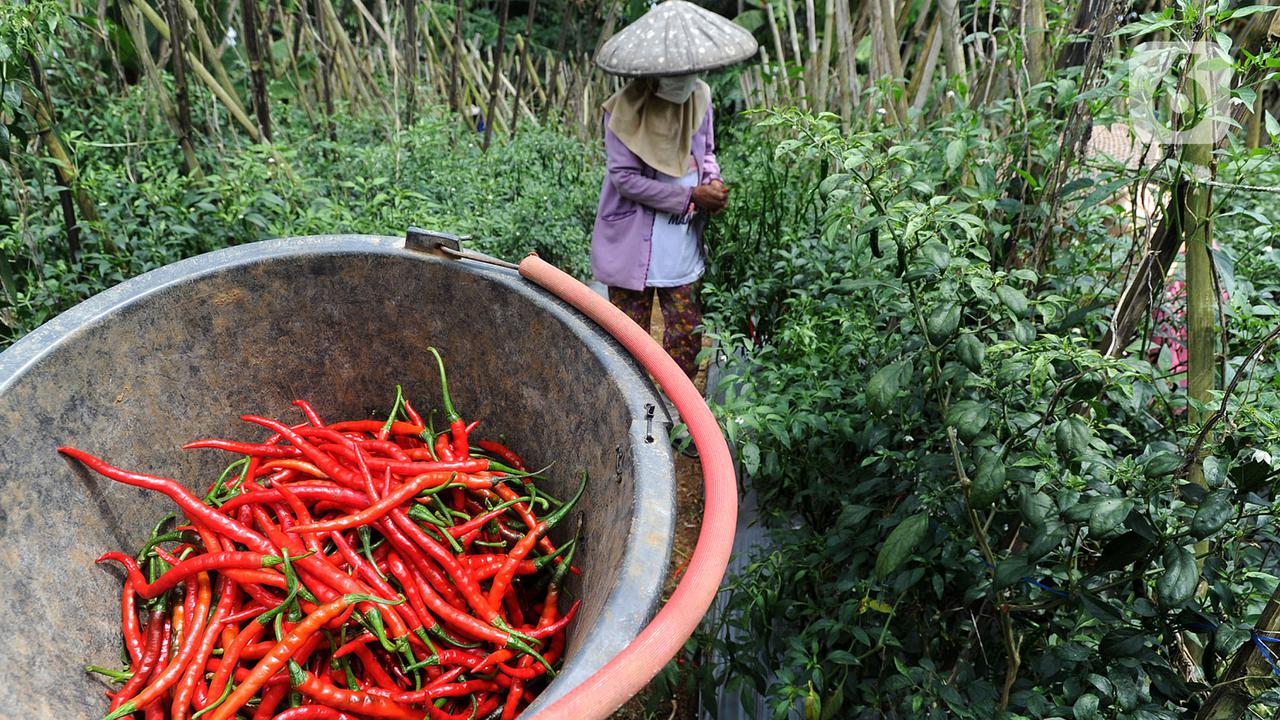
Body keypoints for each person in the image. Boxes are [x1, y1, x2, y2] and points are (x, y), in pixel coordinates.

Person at [591, 73, 728, 380]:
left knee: (686, 338)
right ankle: (635, 415)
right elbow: (625, 179)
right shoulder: (625, 109)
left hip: (682, 241)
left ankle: (679, 414)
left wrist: (713, 182)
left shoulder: (700, 98)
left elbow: (706, 154)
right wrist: (691, 195)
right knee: (628, 343)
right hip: (632, 245)